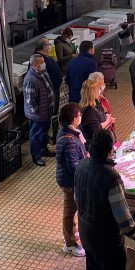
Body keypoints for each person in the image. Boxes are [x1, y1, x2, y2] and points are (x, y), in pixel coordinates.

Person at [75, 129, 135, 270]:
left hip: (87, 235)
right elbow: (122, 217)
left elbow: (78, 200)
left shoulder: (81, 166)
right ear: (109, 151)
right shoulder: (111, 177)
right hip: (107, 243)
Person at [55, 102, 88, 257]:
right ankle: (69, 243)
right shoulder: (68, 140)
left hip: (71, 180)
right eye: (79, 115)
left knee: (72, 209)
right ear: (74, 118)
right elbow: (73, 167)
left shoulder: (72, 133)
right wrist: (87, 164)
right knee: (70, 211)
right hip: (69, 182)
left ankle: (72, 234)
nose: (80, 116)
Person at [23, 53, 55, 166]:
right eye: (42, 63)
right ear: (35, 64)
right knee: (36, 134)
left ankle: (43, 150)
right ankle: (36, 156)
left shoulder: (42, 72)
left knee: (43, 133)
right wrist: (36, 113)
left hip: (46, 110)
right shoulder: (30, 80)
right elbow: (30, 100)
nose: (44, 64)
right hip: (38, 114)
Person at [35, 36, 63, 143]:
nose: (49, 46)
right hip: (46, 96)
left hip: (52, 92)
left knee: (52, 117)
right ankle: (41, 146)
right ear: (43, 47)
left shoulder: (45, 57)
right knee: (43, 122)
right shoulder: (38, 59)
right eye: (48, 44)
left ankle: (50, 139)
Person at [79, 79, 115, 145]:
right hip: (96, 146)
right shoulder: (89, 111)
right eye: (98, 89)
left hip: (103, 142)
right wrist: (107, 121)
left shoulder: (96, 103)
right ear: (93, 92)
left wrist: (108, 118)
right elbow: (95, 130)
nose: (100, 91)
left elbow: (102, 114)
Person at [55, 28, 77, 108]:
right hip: (64, 69)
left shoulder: (68, 42)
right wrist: (70, 56)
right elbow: (60, 59)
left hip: (71, 67)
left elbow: (71, 49)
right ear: (64, 36)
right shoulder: (59, 45)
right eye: (69, 38)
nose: (70, 40)